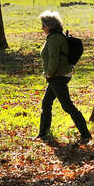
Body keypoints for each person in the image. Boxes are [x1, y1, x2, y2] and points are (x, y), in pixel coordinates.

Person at [38, 11, 91, 144]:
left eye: (43, 25)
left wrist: (49, 73)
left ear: (50, 25)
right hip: (57, 76)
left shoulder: (55, 38)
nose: (42, 28)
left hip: (57, 76)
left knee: (67, 106)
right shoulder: (54, 36)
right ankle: (43, 133)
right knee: (46, 104)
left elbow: (53, 58)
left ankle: (86, 134)